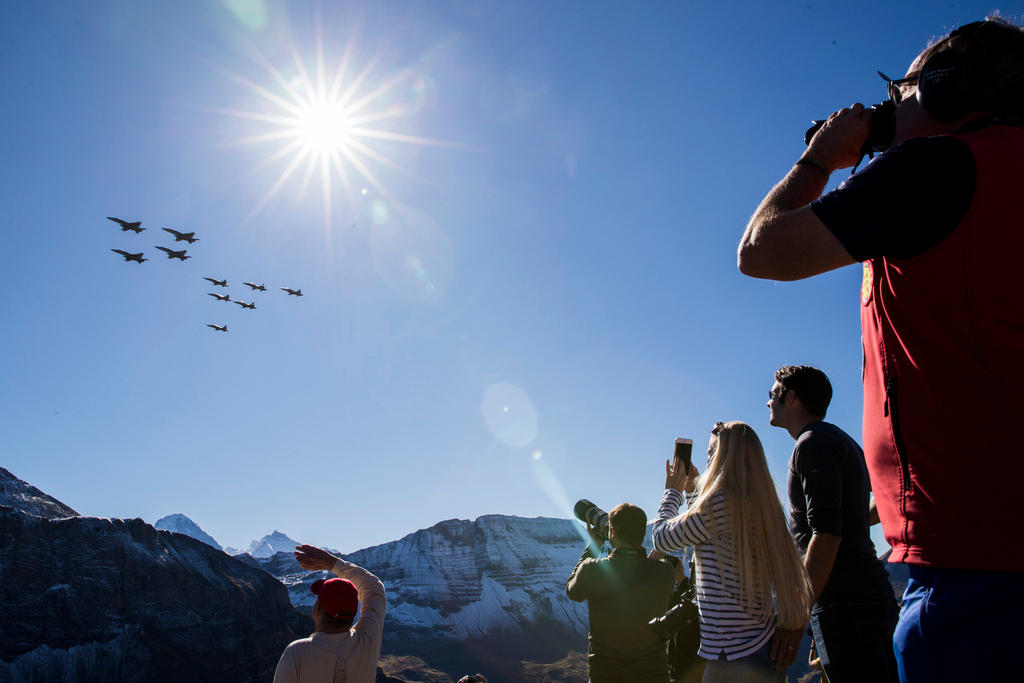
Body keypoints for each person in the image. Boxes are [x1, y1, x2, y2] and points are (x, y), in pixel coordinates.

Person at [737, 17, 1024, 682]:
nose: (891, 105)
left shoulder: (942, 167)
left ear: (951, 90)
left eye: (905, 89)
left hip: (974, 556)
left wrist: (825, 156)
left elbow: (762, 249)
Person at [652, 421, 814, 683]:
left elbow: (662, 539)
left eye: (710, 454)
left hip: (731, 654)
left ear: (723, 458)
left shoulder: (720, 504)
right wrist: (694, 492)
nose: (706, 462)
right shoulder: (758, 505)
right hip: (759, 646)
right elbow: (714, 539)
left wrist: (672, 491)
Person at [768, 365, 898, 682]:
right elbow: (880, 502)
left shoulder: (810, 445)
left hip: (845, 604)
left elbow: (825, 537)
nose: (768, 401)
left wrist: (798, 616)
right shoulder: (844, 441)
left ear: (791, 396)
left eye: (773, 393)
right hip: (869, 594)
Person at [566, 502, 676, 682]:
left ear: (613, 533)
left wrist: (594, 544)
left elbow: (572, 591)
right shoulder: (665, 571)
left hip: (605, 675)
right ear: (642, 534)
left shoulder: (592, 570)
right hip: (654, 674)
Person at [273, 544, 386, 683]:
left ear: (318, 610)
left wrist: (330, 563)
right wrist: (333, 563)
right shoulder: (367, 642)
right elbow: (374, 587)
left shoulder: (297, 652)